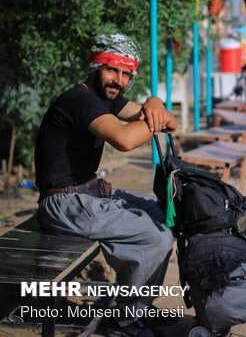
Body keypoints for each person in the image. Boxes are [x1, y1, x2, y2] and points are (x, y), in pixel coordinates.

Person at [35, 33, 178, 337]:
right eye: (112, 69)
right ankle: (123, 323)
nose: (119, 80)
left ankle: (137, 307)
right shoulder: (80, 100)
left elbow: (171, 122)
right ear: (95, 66)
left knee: (164, 213)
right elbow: (125, 140)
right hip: (64, 204)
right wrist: (155, 113)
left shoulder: (106, 99)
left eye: (126, 74)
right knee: (157, 237)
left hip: (88, 195)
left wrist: (154, 101)